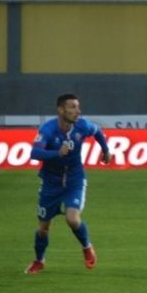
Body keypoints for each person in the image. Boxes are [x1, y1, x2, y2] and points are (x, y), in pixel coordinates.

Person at [25, 93, 111, 274]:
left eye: (78, 107)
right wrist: (56, 153)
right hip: (50, 183)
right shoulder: (48, 130)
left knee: (72, 219)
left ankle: (87, 248)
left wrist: (106, 150)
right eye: (72, 107)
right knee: (43, 228)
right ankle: (39, 260)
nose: (77, 111)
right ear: (61, 110)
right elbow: (34, 153)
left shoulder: (82, 125)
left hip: (74, 180)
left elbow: (97, 133)